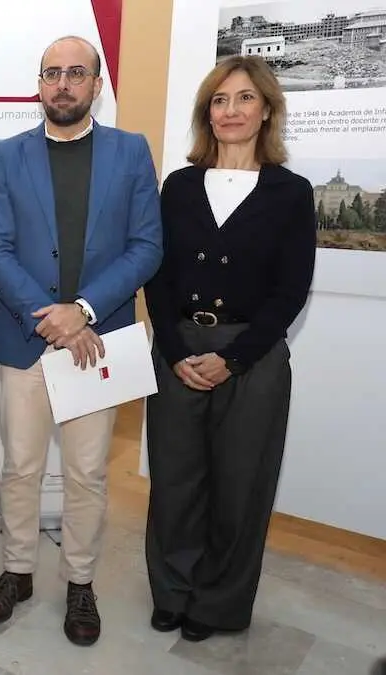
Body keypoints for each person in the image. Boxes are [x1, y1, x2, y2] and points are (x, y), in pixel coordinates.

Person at [0, 35, 162, 646]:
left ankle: (80, 581)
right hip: (29, 338)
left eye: (75, 73)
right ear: (39, 84)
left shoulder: (131, 153)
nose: (62, 84)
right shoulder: (7, 155)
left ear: (96, 85)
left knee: (85, 474)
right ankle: (17, 572)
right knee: (20, 468)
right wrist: (44, 312)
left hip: (96, 340)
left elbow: (147, 248)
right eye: (52, 73)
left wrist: (80, 310)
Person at [143, 55, 315, 642]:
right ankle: (172, 591)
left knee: (240, 487)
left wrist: (234, 357)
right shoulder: (181, 186)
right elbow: (157, 277)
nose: (231, 110)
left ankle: (216, 605)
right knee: (174, 482)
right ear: (206, 113)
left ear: (266, 110)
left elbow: (292, 289)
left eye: (244, 99)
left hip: (253, 357)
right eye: (219, 100)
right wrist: (172, 349)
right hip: (178, 353)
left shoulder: (291, 193)